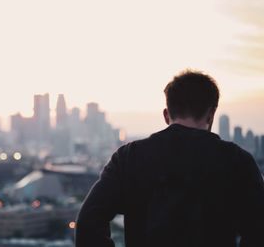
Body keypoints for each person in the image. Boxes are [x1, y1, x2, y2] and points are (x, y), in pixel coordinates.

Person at [75, 70, 264, 247]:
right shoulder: (238, 161)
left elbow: (87, 223)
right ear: (211, 114)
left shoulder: (128, 157)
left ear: (167, 115)